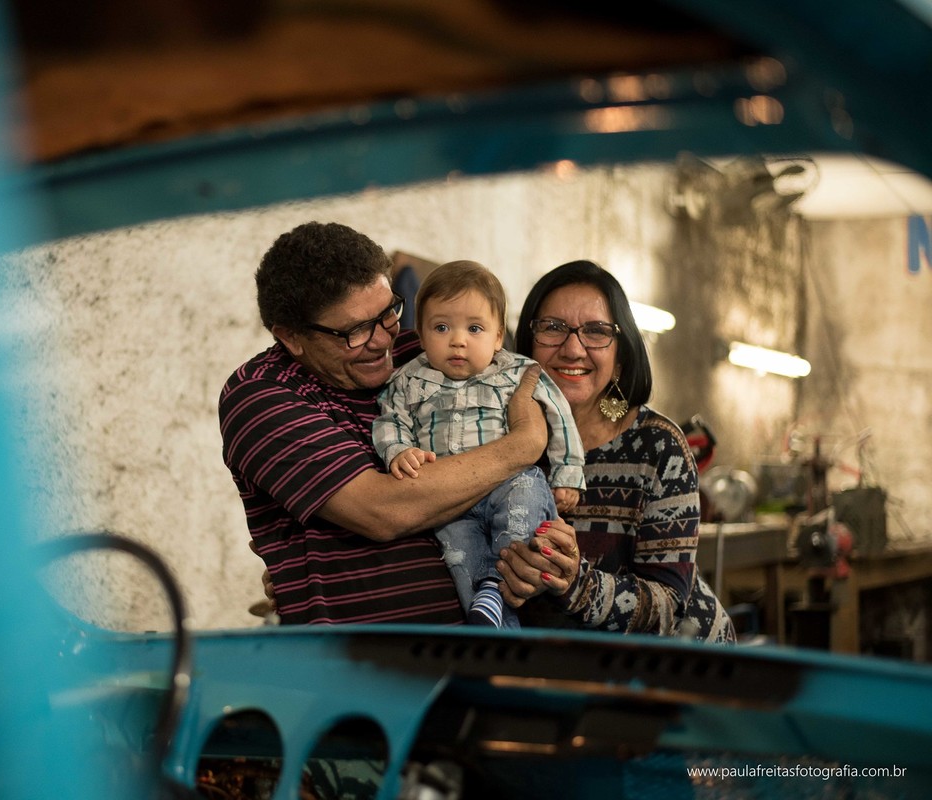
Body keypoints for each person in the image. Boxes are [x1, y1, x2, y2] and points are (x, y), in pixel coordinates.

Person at [218, 222, 560, 625]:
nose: (383, 340)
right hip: (360, 663)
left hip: (483, 645)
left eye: (388, 313)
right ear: (291, 337)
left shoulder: (423, 354)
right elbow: (382, 510)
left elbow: (522, 386)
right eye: (356, 330)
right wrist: (522, 447)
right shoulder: (262, 395)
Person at [496, 260, 735, 642]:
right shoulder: (503, 438)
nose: (573, 349)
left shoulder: (658, 447)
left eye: (596, 331)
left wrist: (575, 584)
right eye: (553, 328)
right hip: (563, 661)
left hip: (678, 664)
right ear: (526, 346)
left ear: (621, 358)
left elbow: (669, 605)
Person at [372, 260, 585, 628]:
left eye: (474, 328)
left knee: (525, 516)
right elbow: (390, 419)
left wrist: (567, 472)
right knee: (458, 554)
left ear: (498, 336)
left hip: (508, 483)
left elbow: (559, 415)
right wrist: (399, 450)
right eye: (441, 327)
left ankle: (496, 588)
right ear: (420, 334)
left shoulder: (518, 372)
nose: (458, 340)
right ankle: (496, 622)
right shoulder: (407, 380)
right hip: (448, 500)